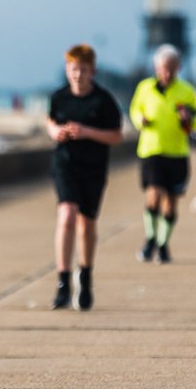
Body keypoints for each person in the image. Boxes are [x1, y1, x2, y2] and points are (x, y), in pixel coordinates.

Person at [46, 44, 123, 310]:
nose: (77, 75)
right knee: (66, 214)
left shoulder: (103, 101)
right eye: (72, 70)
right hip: (65, 164)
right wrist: (55, 131)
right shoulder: (59, 97)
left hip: (93, 168)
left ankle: (85, 276)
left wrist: (86, 132)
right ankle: (63, 282)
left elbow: (116, 135)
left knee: (87, 224)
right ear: (67, 70)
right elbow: (50, 121)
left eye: (82, 70)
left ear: (92, 71)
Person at [129, 44, 196, 264]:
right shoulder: (145, 87)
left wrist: (188, 120)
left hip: (177, 152)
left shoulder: (187, 91)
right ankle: (150, 238)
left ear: (178, 67)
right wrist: (139, 120)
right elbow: (135, 110)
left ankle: (163, 244)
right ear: (156, 67)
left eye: (171, 68)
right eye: (163, 68)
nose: (167, 73)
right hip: (151, 149)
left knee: (171, 202)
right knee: (153, 194)